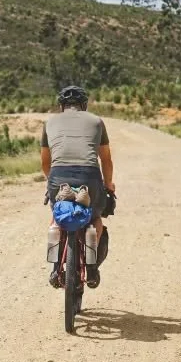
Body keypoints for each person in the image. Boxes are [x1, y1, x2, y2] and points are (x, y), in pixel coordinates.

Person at [41, 84, 115, 289]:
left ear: (61, 105)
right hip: (89, 176)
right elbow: (106, 160)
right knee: (95, 217)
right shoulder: (96, 121)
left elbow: (45, 163)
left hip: (59, 177)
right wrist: (109, 186)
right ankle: (91, 269)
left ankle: (56, 268)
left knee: (57, 215)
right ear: (84, 104)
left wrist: (52, 184)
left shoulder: (49, 123)